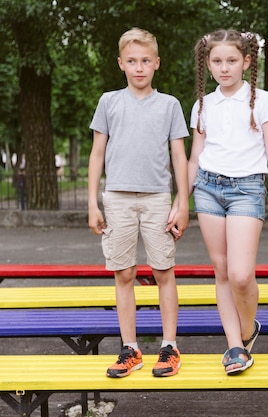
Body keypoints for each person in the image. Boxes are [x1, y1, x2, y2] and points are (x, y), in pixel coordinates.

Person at [88, 27, 189, 378]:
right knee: (124, 273)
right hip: (116, 198)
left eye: (146, 60)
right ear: (121, 64)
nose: (139, 67)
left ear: (157, 63)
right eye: (132, 61)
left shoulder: (169, 105)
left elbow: (180, 158)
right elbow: (97, 153)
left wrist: (182, 202)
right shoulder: (109, 102)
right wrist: (92, 202)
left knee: (163, 270)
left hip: (158, 198)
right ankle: (130, 347)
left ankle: (169, 346)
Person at [189, 29, 268, 375]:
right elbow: (194, 158)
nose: (224, 67)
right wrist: (179, 202)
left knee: (241, 275)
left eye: (232, 60)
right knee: (222, 271)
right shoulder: (202, 104)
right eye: (217, 61)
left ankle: (246, 331)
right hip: (208, 189)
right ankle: (234, 345)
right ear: (208, 63)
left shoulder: (262, 100)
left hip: (247, 189)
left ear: (246, 62)